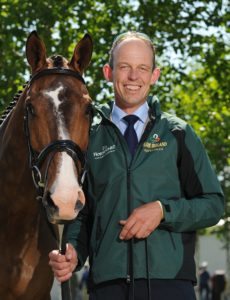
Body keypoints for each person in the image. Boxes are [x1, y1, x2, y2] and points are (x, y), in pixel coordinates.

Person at [49, 31, 225, 300]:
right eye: (125, 67)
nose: (134, 77)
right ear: (108, 72)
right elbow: (82, 213)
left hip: (171, 285)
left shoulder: (178, 134)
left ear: (154, 75)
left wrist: (162, 211)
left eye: (142, 68)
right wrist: (73, 251)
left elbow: (213, 205)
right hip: (108, 286)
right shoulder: (87, 138)